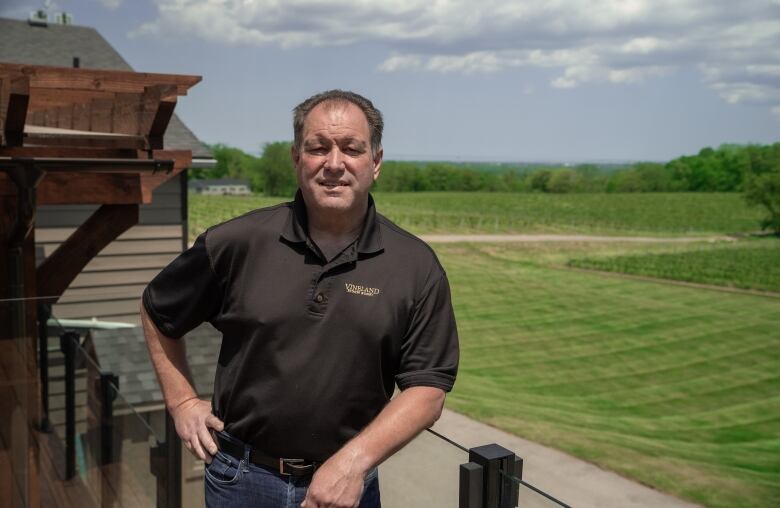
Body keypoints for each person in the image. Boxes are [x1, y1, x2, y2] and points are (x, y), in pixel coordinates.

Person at [140, 90, 459, 507]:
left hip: (347, 488)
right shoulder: (238, 242)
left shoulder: (415, 266)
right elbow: (157, 309)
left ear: (375, 162)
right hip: (241, 479)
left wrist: (352, 464)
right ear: (296, 159)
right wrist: (181, 401)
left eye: (351, 148)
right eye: (317, 148)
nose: (333, 163)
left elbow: (427, 388)